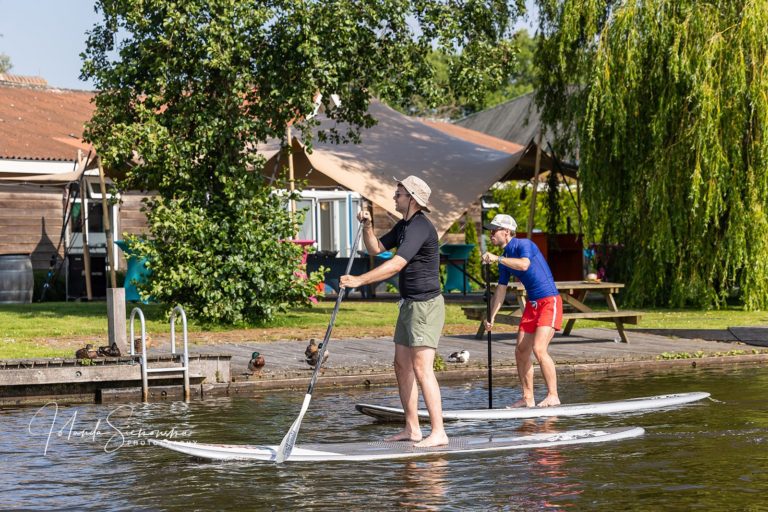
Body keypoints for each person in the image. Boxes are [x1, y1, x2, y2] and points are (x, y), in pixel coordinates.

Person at [340, 175, 448, 447]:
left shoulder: (420, 227)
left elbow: (396, 264)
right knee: (401, 365)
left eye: (398, 193)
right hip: (408, 304)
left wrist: (359, 281)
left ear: (411, 198)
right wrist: (368, 225)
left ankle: (439, 432)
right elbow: (376, 248)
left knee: (423, 369)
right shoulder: (404, 226)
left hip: (425, 306)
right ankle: (412, 428)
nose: (394, 197)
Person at [481, 214, 562, 408]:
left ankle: (553, 395)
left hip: (549, 301)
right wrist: (491, 317)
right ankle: (528, 398)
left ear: (506, 232)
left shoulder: (524, 244)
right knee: (521, 351)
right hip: (532, 305)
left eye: (494, 230)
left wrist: (497, 258)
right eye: (490, 230)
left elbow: (524, 264)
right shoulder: (505, 259)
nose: (490, 234)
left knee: (539, 348)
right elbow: (500, 290)